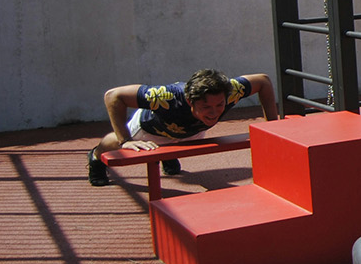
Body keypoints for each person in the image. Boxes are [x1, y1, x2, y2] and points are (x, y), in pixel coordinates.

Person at [87, 69, 279, 186]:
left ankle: (169, 155)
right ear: (190, 101)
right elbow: (113, 95)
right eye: (206, 107)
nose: (214, 112)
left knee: (186, 136)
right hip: (151, 130)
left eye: (219, 105)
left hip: (191, 131)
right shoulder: (165, 96)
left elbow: (262, 80)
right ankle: (95, 157)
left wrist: (272, 126)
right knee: (116, 142)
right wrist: (125, 140)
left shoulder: (230, 91)